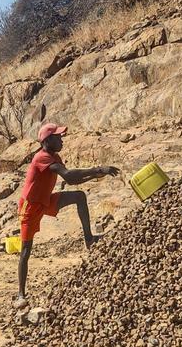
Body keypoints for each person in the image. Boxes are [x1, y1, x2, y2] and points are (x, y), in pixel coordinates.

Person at [16, 123, 119, 304]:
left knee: (79, 196)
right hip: (30, 207)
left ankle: (89, 239)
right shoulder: (42, 158)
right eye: (58, 137)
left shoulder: (54, 156)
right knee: (25, 251)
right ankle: (21, 295)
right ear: (47, 141)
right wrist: (97, 169)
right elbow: (69, 175)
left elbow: (71, 182)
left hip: (45, 200)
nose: (62, 140)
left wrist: (94, 175)